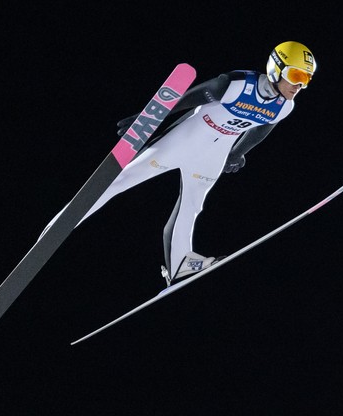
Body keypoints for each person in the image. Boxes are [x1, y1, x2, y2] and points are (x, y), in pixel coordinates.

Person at [74, 41, 317, 284]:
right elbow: (188, 99)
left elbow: (262, 128)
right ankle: (67, 221)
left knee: (192, 205)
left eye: (306, 79)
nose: (300, 85)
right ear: (276, 69)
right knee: (123, 179)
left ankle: (180, 264)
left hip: (213, 154)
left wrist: (237, 153)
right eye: (296, 75)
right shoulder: (236, 84)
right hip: (182, 141)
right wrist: (150, 118)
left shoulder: (284, 107)